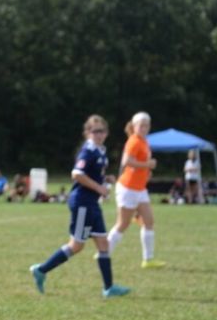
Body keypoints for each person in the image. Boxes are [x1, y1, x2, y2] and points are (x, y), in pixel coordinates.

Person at [30, 115, 130, 298]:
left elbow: (91, 174)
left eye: (102, 131)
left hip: (92, 204)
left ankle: (109, 288)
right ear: (87, 133)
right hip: (82, 203)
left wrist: (105, 179)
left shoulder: (100, 151)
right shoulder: (88, 150)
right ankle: (41, 270)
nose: (99, 134)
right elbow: (77, 174)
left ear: (106, 133)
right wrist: (99, 187)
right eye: (95, 131)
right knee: (76, 245)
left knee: (103, 243)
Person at [106, 111, 166, 269]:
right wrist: (147, 165)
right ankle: (104, 253)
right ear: (134, 126)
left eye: (147, 125)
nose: (144, 128)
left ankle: (148, 259)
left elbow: (138, 163)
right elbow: (127, 162)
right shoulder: (134, 141)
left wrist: (146, 171)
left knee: (149, 221)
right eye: (141, 125)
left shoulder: (144, 141)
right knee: (123, 224)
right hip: (128, 188)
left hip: (139, 189)